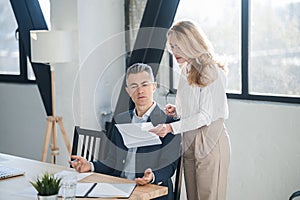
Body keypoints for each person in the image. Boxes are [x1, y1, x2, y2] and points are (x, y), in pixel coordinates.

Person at [70, 63, 181, 200]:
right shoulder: (121, 119)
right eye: (134, 86)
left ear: (153, 86)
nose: (140, 91)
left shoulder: (169, 123)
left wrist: (152, 176)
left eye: (144, 84)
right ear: (128, 91)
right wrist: (90, 166)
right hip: (119, 189)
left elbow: (169, 167)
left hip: (151, 193)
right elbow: (113, 160)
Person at [149, 20, 231, 200]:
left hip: (210, 140)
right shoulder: (187, 69)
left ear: (191, 43)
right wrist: (178, 111)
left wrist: (171, 127)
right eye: (171, 46)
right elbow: (196, 107)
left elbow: (205, 116)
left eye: (177, 46)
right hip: (189, 140)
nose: (174, 51)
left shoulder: (212, 70)